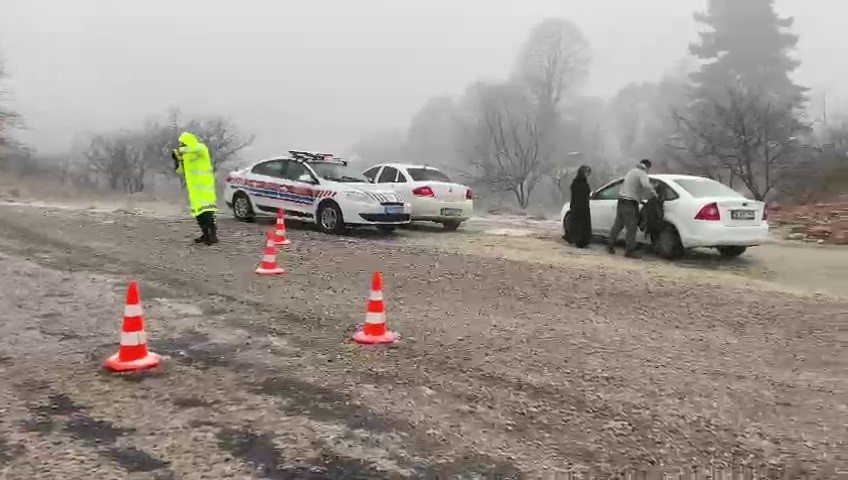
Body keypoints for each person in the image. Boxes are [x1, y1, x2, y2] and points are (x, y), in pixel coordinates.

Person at [172, 132, 218, 245]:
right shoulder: (187, 156)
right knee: (198, 214)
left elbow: (193, 148)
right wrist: (177, 161)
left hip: (205, 186)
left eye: (182, 143)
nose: (181, 146)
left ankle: (213, 236)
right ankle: (205, 234)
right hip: (194, 189)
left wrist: (179, 151)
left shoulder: (200, 148)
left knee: (207, 212)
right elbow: (180, 172)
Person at [607, 159, 656, 258]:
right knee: (631, 227)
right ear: (647, 166)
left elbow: (632, 187)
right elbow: (646, 185)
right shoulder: (642, 173)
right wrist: (654, 194)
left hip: (621, 201)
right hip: (630, 203)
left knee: (618, 225)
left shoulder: (631, 172)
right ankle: (630, 251)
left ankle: (610, 245)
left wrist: (640, 198)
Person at [568, 165, 592, 248]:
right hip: (578, 207)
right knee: (579, 225)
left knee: (583, 225)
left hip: (584, 206)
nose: (588, 174)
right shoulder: (577, 183)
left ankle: (583, 241)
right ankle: (578, 240)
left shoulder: (583, 182)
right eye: (586, 172)